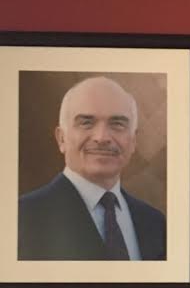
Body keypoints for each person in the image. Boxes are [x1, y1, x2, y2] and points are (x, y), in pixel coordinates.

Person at [18, 76, 166, 261]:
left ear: (133, 141)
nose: (102, 137)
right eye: (86, 123)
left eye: (117, 124)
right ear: (61, 138)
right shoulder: (22, 218)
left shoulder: (155, 223)